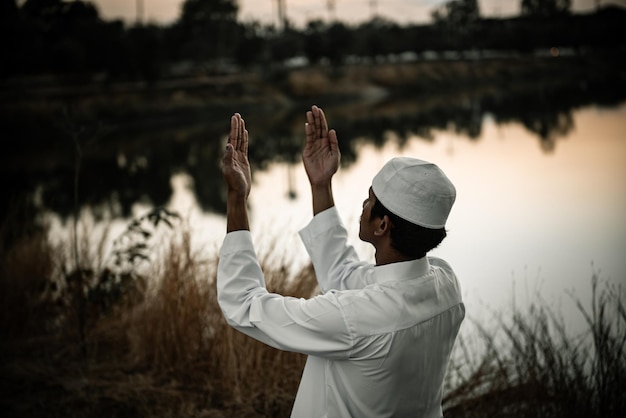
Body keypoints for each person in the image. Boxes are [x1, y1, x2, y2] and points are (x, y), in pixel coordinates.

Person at [218, 106, 465, 418]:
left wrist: (236, 198)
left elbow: (241, 303)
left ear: (382, 225)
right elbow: (343, 274)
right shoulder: (445, 283)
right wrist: (321, 185)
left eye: (370, 200)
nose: (363, 205)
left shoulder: (357, 317)